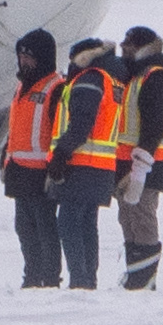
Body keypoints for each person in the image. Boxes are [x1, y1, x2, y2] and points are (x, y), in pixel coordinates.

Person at [42, 36, 126, 291]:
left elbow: (81, 124)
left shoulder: (88, 80)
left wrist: (60, 154)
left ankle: (80, 279)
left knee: (68, 222)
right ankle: (87, 278)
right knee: (87, 223)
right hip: (101, 167)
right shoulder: (111, 81)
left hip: (82, 164)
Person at [116, 25, 163, 289]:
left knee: (142, 215)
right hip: (127, 162)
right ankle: (135, 273)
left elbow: (154, 126)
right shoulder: (135, 76)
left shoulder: (155, 77)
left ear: (142, 47)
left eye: (129, 43)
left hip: (149, 163)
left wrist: (140, 166)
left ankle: (144, 277)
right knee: (128, 217)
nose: (123, 47)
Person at [0, 27, 62, 289]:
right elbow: (16, 127)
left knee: (45, 230)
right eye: (21, 56)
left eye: (30, 57)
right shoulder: (21, 87)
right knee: (24, 229)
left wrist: (55, 167)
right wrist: (5, 157)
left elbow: (58, 130)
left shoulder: (55, 88)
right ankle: (32, 276)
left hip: (41, 172)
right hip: (19, 170)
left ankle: (49, 278)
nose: (24, 61)